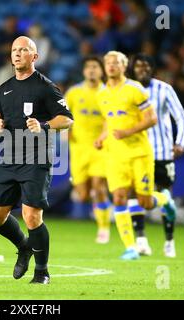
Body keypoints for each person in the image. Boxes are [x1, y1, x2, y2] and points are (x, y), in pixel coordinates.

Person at [0, 36, 73, 284]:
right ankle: (24, 246)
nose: (17, 53)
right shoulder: (4, 89)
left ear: (34, 57)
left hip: (37, 157)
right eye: (14, 49)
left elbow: (66, 119)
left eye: (24, 50)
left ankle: (42, 271)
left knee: (31, 215)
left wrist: (44, 124)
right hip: (10, 157)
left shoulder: (45, 87)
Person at [94, 51, 176, 260]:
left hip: (139, 153)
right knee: (119, 197)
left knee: (145, 202)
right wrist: (102, 137)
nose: (111, 66)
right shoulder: (101, 94)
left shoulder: (135, 89)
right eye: (108, 63)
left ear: (124, 66)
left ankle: (164, 198)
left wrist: (127, 132)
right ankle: (131, 247)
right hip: (115, 155)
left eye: (116, 63)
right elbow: (109, 121)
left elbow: (152, 119)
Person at [129, 54, 184, 258]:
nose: (142, 69)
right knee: (133, 193)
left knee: (165, 193)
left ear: (152, 69)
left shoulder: (164, 89)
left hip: (161, 152)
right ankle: (141, 240)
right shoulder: (126, 90)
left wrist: (180, 142)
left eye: (146, 66)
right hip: (135, 153)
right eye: (138, 66)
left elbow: (180, 117)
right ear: (133, 69)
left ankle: (169, 241)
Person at [65, 56, 111, 244]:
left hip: (101, 148)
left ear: (102, 71)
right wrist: (66, 132)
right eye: (88, 67)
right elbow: (65, 116)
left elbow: (111, 118)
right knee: (82, 195)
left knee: (99, 186)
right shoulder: (74, 93)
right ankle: (91, 196)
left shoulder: (108, 93)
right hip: (78, 149)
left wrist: (104, 136)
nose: (91, 70)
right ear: (84, 71)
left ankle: (103, 228)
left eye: (95, 67)